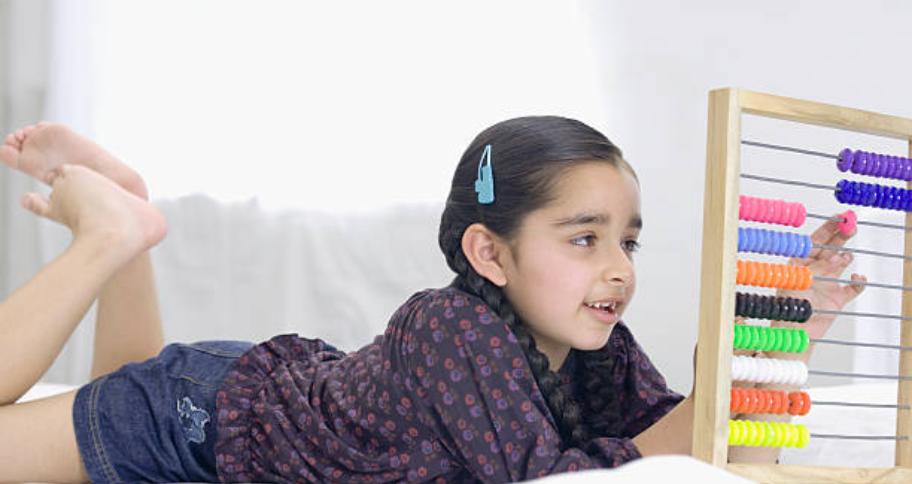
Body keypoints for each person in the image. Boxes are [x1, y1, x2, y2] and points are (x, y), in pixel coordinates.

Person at [0, 118, 864, 483]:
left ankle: (130, 200)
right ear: (488, 252)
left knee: (113, 386)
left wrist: (771, 349)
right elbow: (548, 481)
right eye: (584, 237)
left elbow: (668, 449)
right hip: (194, 417)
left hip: (234, 393)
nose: (618, 268)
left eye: (627, 241)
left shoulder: (597, 341)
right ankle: (108, 234)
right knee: (98, 404)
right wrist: (730, 381)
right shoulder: (452, 327)